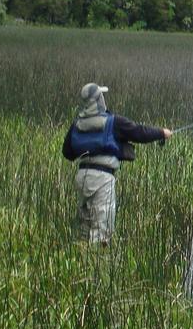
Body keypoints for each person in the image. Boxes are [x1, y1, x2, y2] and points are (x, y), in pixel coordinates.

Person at [62, 82, 172, 243]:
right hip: (103, 179)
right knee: (102, 228)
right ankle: (97, 261)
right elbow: (139, 133)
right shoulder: (114, 122)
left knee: (84, 227)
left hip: (82, 177)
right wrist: (162, 132)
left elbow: (67, 153)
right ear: (99, 100)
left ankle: (82, 255)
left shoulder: (76, 125)